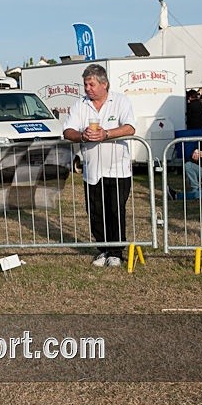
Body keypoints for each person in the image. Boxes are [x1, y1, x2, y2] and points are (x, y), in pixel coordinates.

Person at [63, 64, 136, 267]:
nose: (87, 88)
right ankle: (103, 249)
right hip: (92, 169)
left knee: (115, 210)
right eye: (85, 84)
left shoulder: (120, 101)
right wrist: (81, 135)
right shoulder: (81, 105)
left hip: (117, 168)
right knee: (95, 212)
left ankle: (116, 252)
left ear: (104, 84)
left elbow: (130, 127)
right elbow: (67, 131)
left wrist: (106, 134)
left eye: (91, 84)